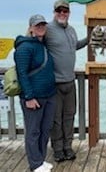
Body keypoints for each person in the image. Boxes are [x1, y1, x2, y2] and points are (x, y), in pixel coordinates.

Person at [45, 0, 88, 162]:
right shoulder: (47, 29)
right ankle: (57, 149)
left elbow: (74, 46)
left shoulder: (71, 30)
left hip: (70, 82)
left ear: (69, 13)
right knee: (56, 119)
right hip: (54, 84)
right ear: (54, 12)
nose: (62, 13)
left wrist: (89, 38)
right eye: (59, 11)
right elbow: (36, 44)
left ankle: (68, 147)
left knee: (69, 116)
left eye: (65, 11)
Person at [14, 14, 56, 172]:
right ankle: (35, 164)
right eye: (37, 25)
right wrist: (29, 97)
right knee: (33, 131)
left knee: (45, 129)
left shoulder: (42, 45)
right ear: (31, 28)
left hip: (49, 95)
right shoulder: (24, 47)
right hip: (34, 97)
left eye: (43, 25)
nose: (41, 27)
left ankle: (41, 160)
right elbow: (22, 74)